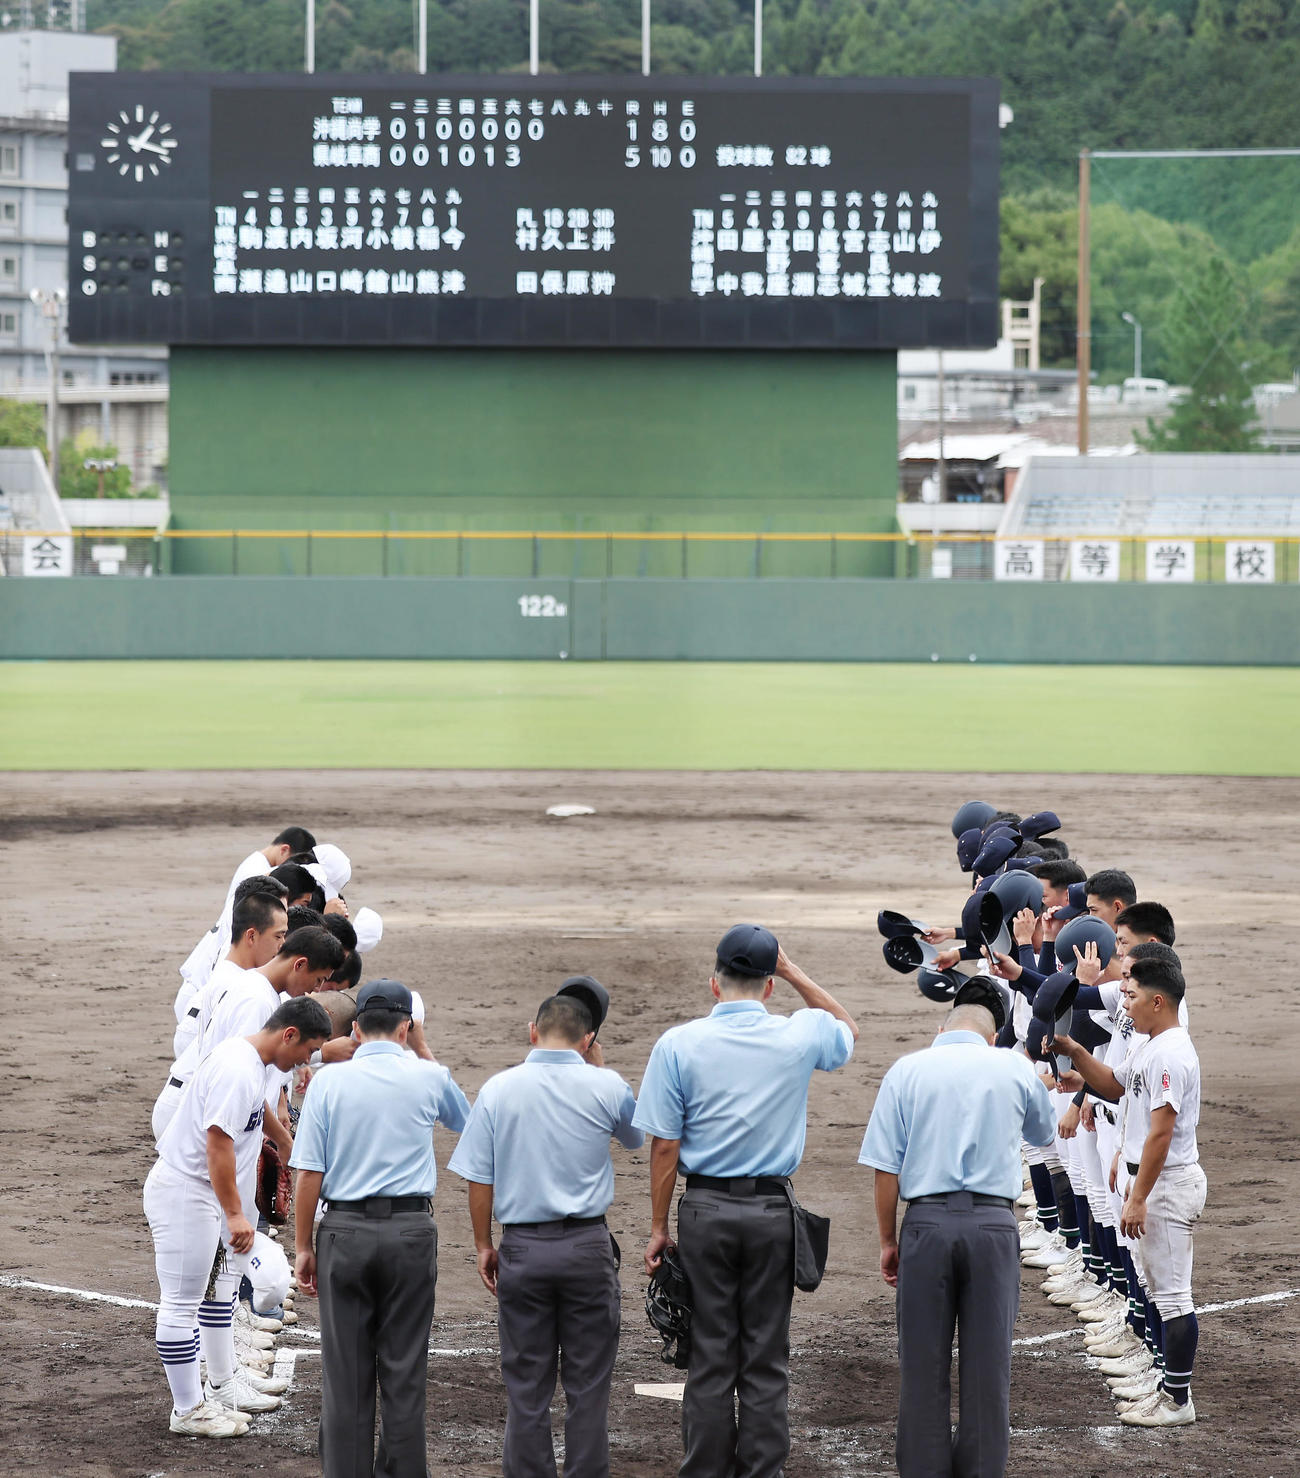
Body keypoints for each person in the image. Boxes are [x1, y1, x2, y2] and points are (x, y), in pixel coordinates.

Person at [633, 926, 858, 1478]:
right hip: (771, 1215)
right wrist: (795, 970)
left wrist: (660, 1226)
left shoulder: (678, 1043)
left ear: (714, 985)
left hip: (704, 1211)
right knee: (765, 1358)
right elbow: (847, 1031)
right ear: (769, 987)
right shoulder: (800, 1033)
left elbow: (665, 1147)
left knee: (710, 1358)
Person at [448, 986, 642, 1478]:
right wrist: (598, 1069)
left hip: (524, 1249)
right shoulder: (608, 1085)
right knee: (589, 1387)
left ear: (532, 1032)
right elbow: (638, 1136)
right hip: (587, 1249)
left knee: (527, 1387)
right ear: (588, 1039)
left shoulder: (497, 1088)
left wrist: (483, 1245)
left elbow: (479, 1177)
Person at [859, 1000, 1057, 1478]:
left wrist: (890, 1241)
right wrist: (1039, 1086)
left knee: (922, 1369)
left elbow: (887, 1169)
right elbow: (1044, 1131)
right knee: (989, 1372)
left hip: (926, 1226)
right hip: (992, 1227)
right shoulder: (1011, 1066)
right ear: (991, 1038)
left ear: (940, 1029)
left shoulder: (906, 1070)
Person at [291, 978, 472, 1478]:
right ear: (406, 1025)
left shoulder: (328, 1082)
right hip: (411, 1233)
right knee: (404, 1374)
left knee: (346, 1379)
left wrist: (303, 1246)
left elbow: (308, 1173)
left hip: (343, 1232)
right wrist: (422, 1049)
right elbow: (467, 1123)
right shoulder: (429, 1077)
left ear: (353, 1028)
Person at [144, 995, 331, 1438]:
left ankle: (224, 1385)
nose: (305, 1061)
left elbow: (256, 1111)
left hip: (209, 1196)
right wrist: (235, 1215)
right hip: (189, 1195)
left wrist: (284, 1141)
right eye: (306, 1051)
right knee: (182, 1303)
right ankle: (188, 1409)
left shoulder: (258, 1061)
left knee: (219, 1292)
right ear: (288, 1034)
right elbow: (218, 1145)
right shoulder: (236, 1067)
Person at [1051, 949, 1204, 1428]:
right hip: (1147, 1178)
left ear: (1158, 1001)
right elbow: (1116, 1088)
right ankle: (1165, 1382)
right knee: (1156, 1291)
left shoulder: (1170, 1055)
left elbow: (1161, 1132)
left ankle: (1177, 1400)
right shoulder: (1149, 1043)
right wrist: (1076, 1055)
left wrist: (1138, 1196)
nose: (1125, 1005)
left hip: (1165, 1185)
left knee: (1174, 1297)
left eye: (1131, 996)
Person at [175, 827, 317, 1012]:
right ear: (284, 850)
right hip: (197, 996)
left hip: (200, 991)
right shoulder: (257, 877)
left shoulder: (258, 870)